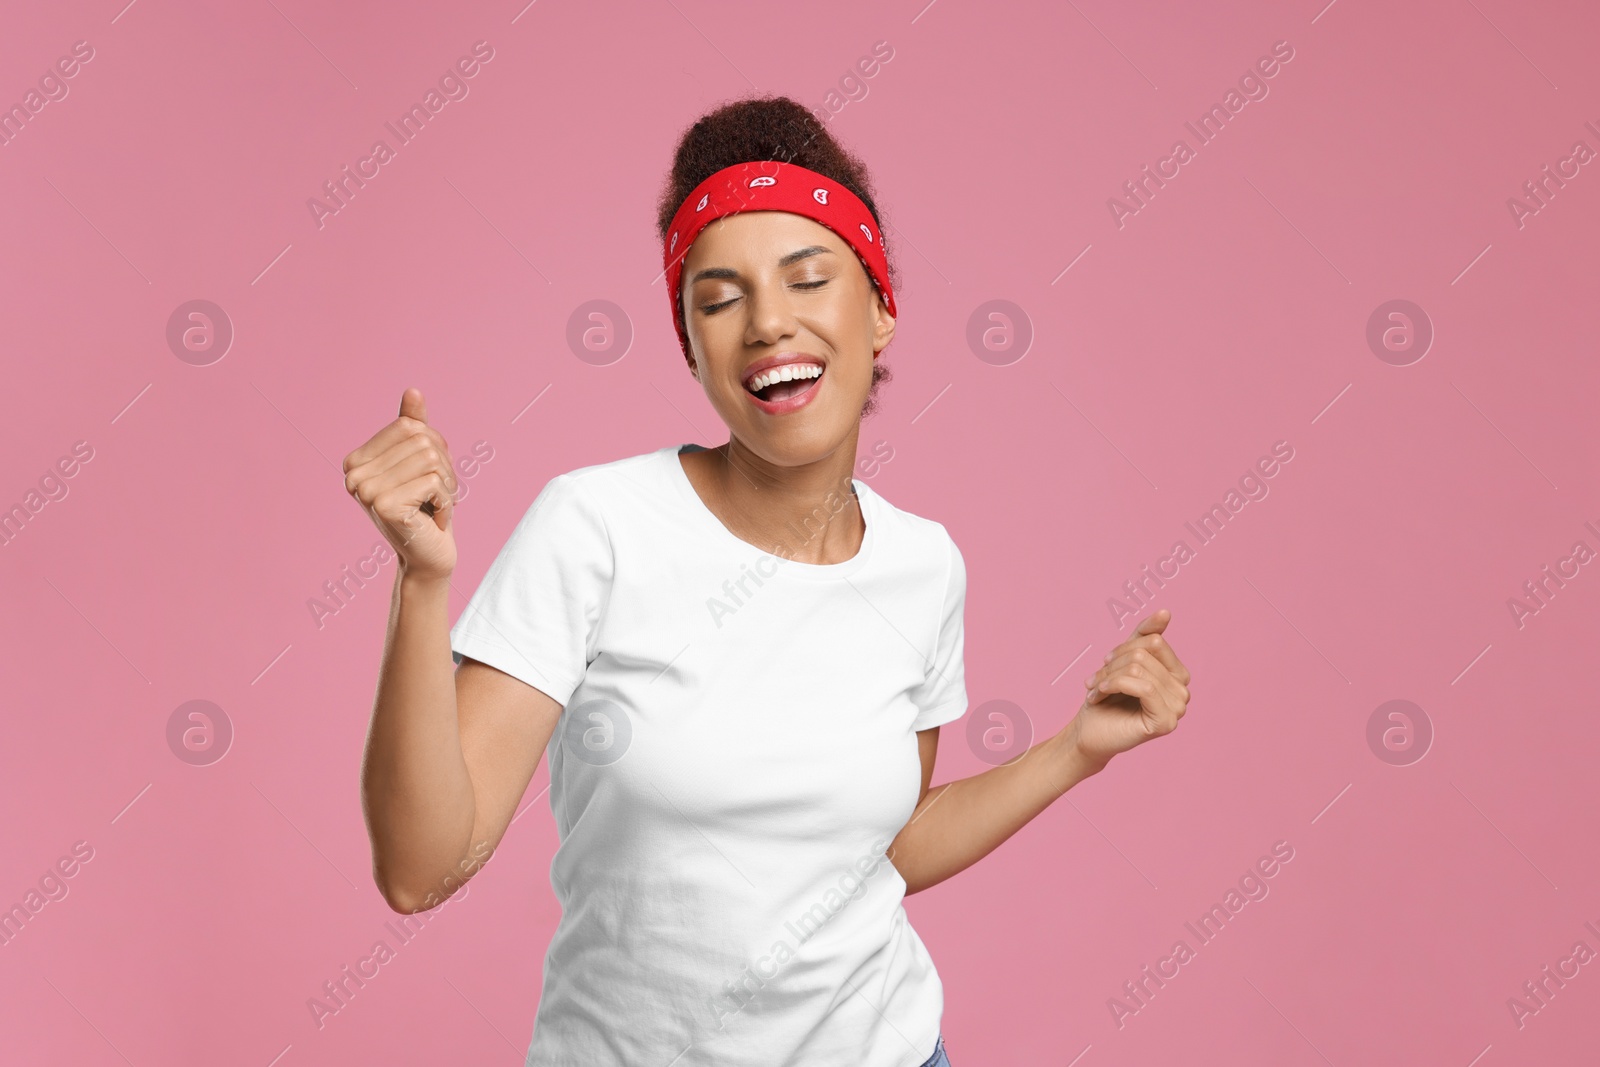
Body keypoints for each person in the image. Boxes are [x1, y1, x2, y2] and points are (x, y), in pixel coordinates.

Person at [343, 95, 1192, 1067]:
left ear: (879, 312)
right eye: (718, 297)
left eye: (807, 277)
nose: (767, 321)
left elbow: (879, 846)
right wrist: (422, 580)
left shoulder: (923, 565)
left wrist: (1078, 749)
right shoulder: (596, 528)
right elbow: (419, 867)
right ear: (692, 348)